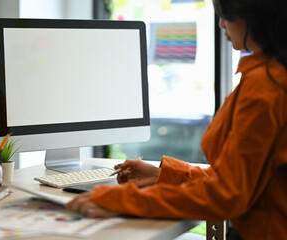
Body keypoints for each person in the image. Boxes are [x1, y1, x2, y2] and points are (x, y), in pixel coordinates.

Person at [66, 0, 287, 239]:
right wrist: (165, 176)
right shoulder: (271, 74)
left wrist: (119, 199)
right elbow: (245, 180)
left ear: (253, 14)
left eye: (226, 14)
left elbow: (227, 195)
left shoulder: (266, 86)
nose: (221, 23)